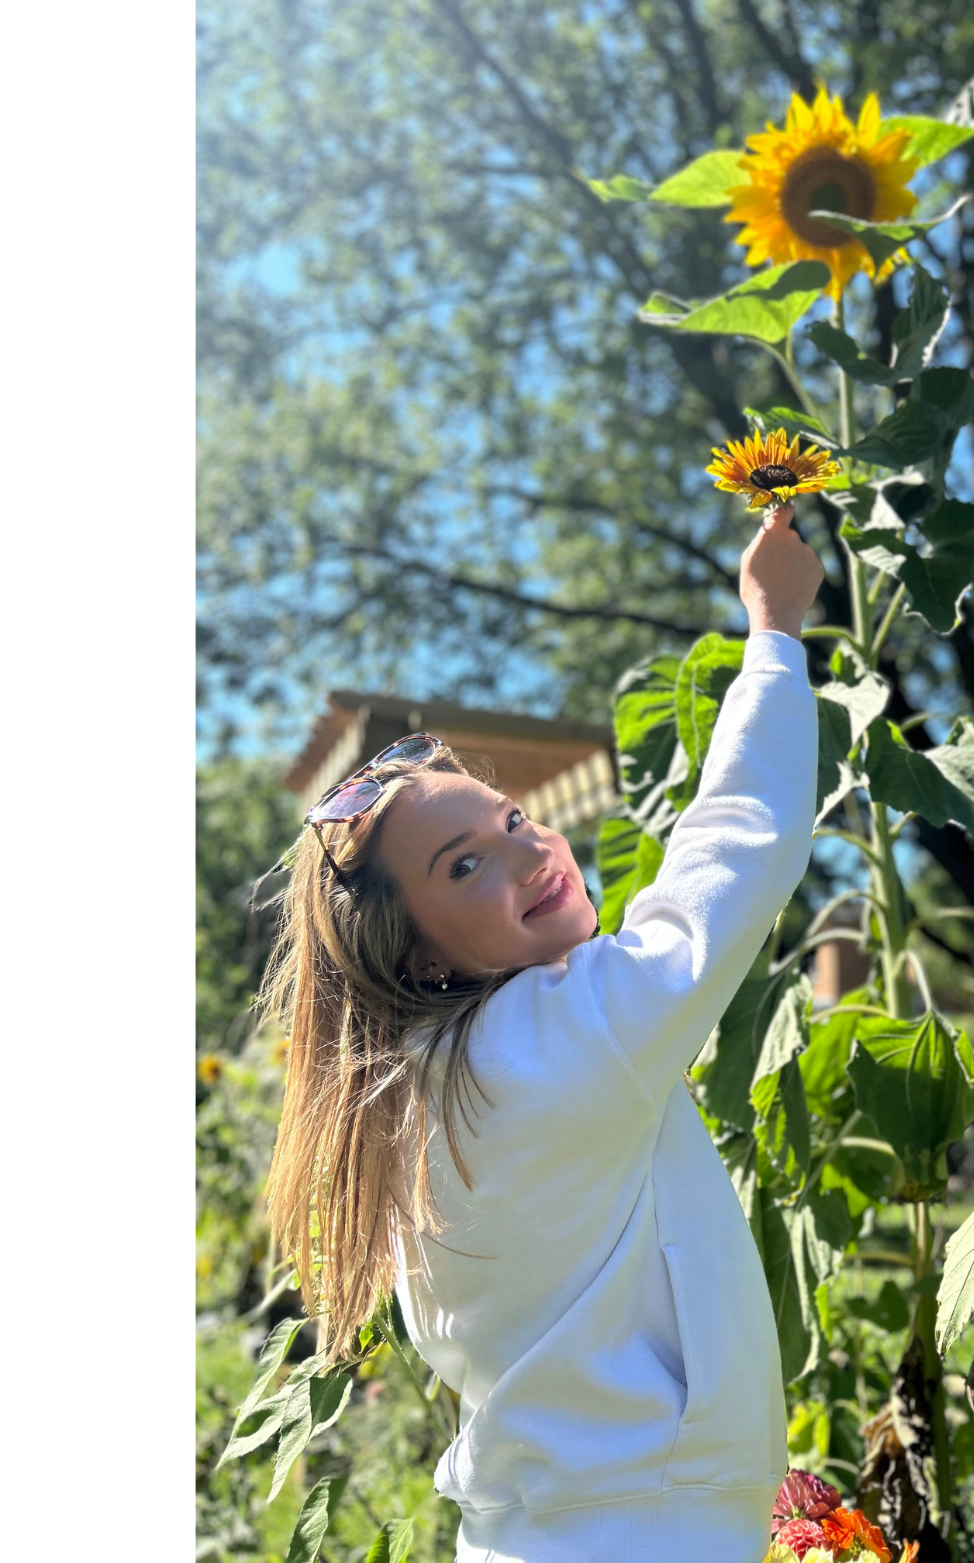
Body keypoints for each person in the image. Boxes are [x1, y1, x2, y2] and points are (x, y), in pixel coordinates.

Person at [259, 506, 824, 1562]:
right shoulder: (553, 1044)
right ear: (418, 955)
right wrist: (775, 632)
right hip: (656, 1531)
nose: (527, 855)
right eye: (463, 866)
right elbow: (737, 851)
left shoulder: (402, 1102)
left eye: (509, 821)